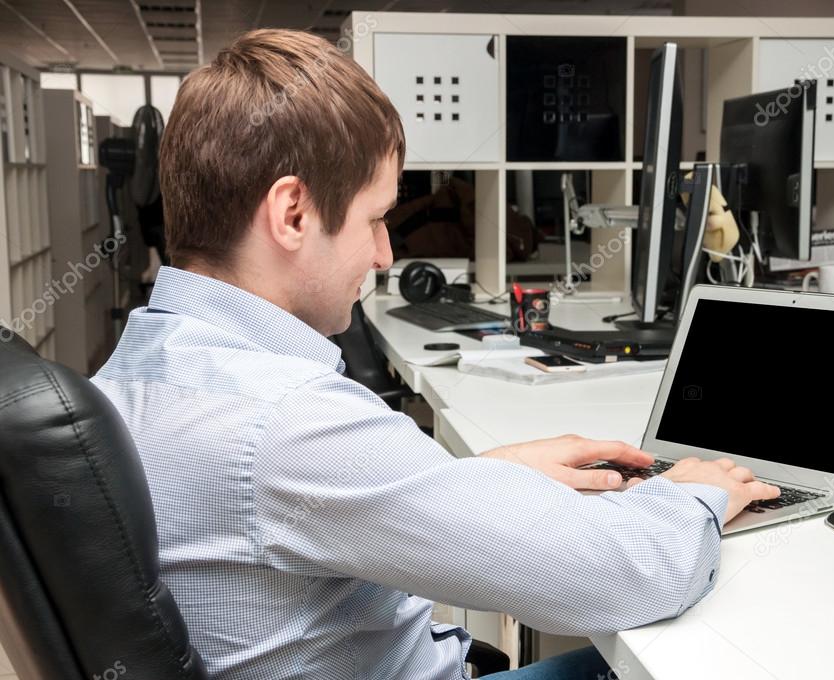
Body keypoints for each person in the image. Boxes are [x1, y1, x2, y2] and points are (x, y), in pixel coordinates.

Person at [91, 29, 779, 680]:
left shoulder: (136, 368)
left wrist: (470, 480)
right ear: (293, 213)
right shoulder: (286, 422)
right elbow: (630, 575)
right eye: (375, 218)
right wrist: (694, 490)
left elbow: (293, 508)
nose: (386, 252)